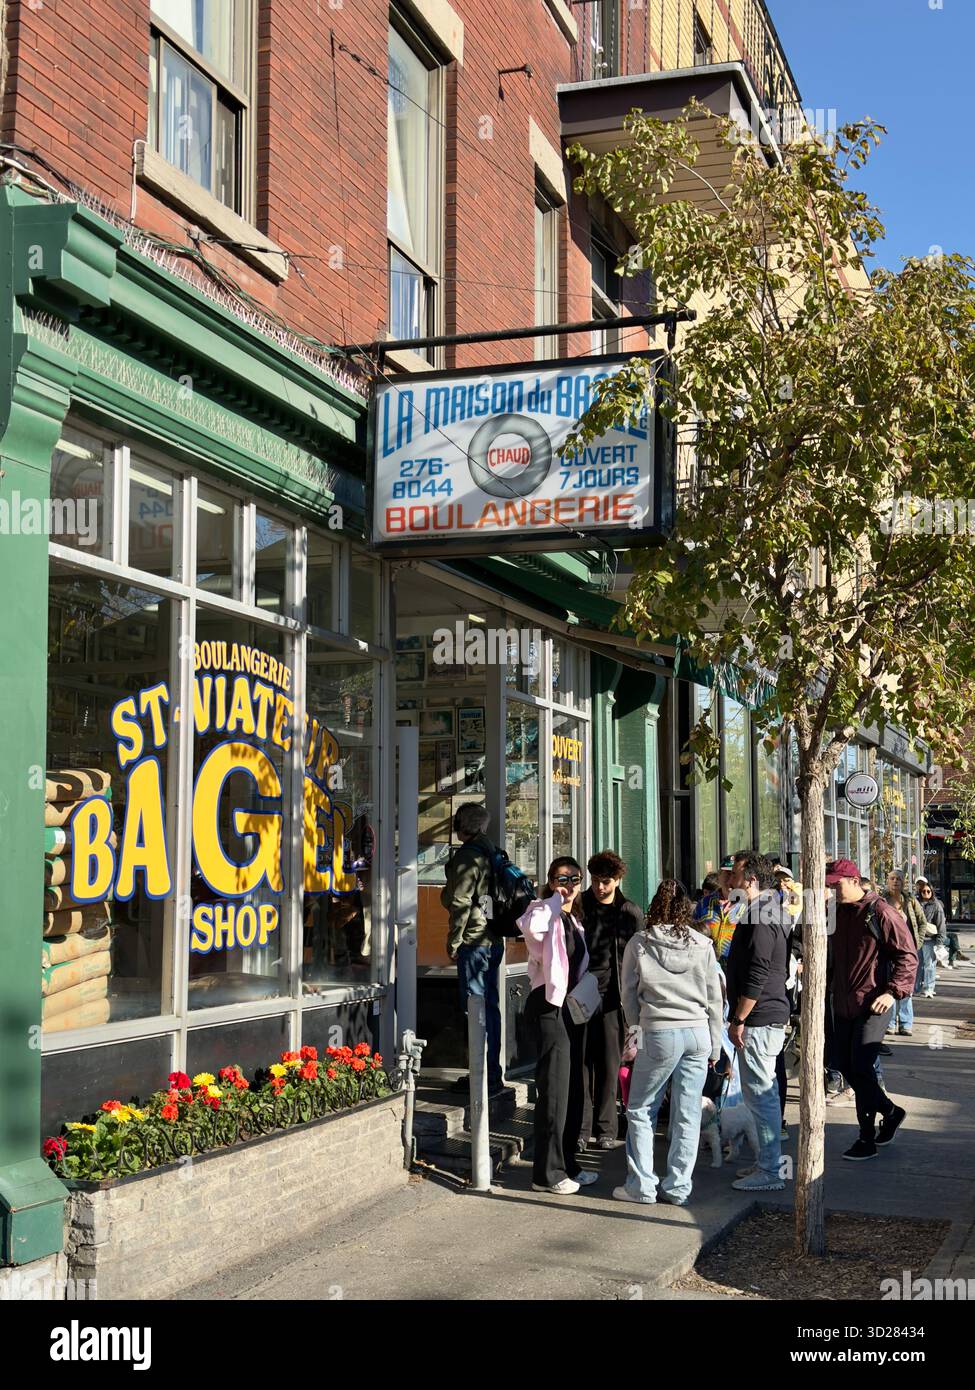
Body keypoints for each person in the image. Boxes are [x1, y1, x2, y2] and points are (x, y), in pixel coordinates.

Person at [615, 879, 724, 1207]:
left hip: (659, 1030)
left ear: (654, 906)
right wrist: (716, 1046)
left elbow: (628, 996)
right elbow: (715, 998)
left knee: (641, 1108)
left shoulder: (640, 943)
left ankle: (642, 1185)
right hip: (697, 1033)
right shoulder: (702, 944)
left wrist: (635, 1033)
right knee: (687, 1112)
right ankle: (678, 1187)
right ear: (687, 907)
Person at [518, 857, 599, 1195]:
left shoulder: (572, 918)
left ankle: (567, 1162)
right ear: (550, 881)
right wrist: (555, 897)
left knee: (572, 1087)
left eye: (574, 879)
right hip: (548, 1006)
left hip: (571, 1008)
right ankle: (546, 1174)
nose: (568, 885)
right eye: (560, 878)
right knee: (553, 1089)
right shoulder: (543, 911)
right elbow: (529, 927)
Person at [826, 859, 917, 1161]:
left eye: (837, 884)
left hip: (873, 1004)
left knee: (862, 1067)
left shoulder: (881, 912)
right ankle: (890, 1112)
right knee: (849, 1068)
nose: (833, 889)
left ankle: (866, 1137)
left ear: (853, 880)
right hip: (841, 1004)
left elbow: (907, 955)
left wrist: (892, 993)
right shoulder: (835, 913)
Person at [723, 851, 794, 1191]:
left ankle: (769, 1170)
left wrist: (739, 1017)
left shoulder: (763, 915)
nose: (730, 880)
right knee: (759, 1094)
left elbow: (759, 970)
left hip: (760, 1018)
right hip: (763, 1016)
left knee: (762, 1094)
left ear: (750, 880)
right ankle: (764, 1163)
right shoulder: (766, 911)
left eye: (735, 874)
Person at [579, 851, 644, 1150]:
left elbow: (639, 959)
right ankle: (582, 1127)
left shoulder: (630, 912)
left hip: (614, 997)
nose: (599, 887)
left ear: (618, 880)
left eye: (605, 881)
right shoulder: (579, 905)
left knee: (609, 1063)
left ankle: (606, 1128)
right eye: (595, 881)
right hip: (580, 992)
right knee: (582, 1064)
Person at [441, 804, 504, 1096]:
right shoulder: (493, 851)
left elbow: (460, 903)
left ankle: (482, 1075)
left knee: (475, 1010)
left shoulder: (469, 856)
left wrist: (454, 942)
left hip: (475, 942)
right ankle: (492, 1073)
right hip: (493, 939)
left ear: (460, 824)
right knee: (490, 1009)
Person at [883, 872, 927, 1028]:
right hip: (888, 950)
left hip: (908, 950)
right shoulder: (882, 901)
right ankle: (890, 1024)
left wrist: (917, 944)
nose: (895, 882)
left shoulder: (911, 901)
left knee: (906, 986)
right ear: (887, 881)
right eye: (892, 879)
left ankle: (905, 1023)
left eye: (899, 879)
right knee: (889, 985)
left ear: (904, 883)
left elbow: (922, 923)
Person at [915, 877, 949, 982]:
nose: (926, 893)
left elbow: (941, 925)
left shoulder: (936, 905)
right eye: (923, 891)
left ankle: (928, 988)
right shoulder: (915, 902)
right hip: (916, 939)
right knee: (917, 964)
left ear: (932, 892)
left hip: (930, 940)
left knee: (929, 964)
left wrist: (939, 943)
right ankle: (917, 988)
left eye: (928, 891)